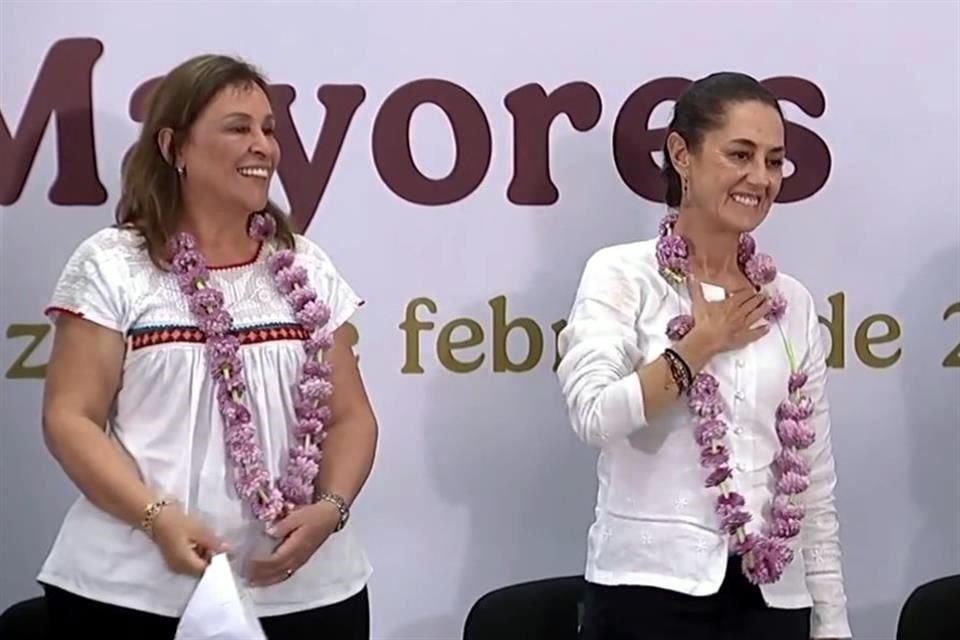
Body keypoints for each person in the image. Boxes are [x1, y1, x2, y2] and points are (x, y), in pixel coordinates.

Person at [36, 53, 377, 640]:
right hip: (133, 592)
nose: (263, 147)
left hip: (305, 591)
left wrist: (331, 509)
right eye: (238, 127)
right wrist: (156, 518)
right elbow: (71, 418)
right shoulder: (114, 264)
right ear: (175, 148)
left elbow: (351, 419)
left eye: (268, 130)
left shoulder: (305, 265)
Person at [556, 72, 852, 640]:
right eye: (740, 154)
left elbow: (813, 484)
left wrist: (831, 622)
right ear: (681, 155)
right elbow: (593, 415)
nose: (759, 178)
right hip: (647, 596)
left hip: (773, 600)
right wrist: (696, 348)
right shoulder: (622, 274)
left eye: (774, 161)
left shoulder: (789, 301)